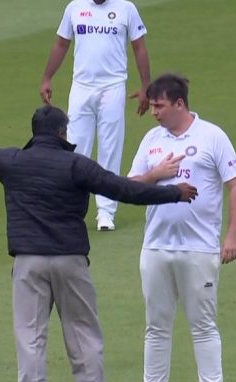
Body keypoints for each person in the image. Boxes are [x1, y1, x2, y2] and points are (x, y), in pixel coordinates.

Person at [0, 103, 197, 382]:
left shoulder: (14, 162)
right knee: (83, 333)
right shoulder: (76, 165)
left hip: (28, 262)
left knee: (30, 339)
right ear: (61, 133)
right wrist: (172, 193)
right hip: (71, 259)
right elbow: (123, 189)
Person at [126, 73, 236, 382]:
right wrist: (156, 174)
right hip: (156, 247)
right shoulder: (151, 139)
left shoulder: (212, 136)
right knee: (156, 326)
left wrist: (232, 235)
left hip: (200, 248)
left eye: (159, 106)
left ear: (179, 104)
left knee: (204, 325)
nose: (154, 112)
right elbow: (130, 185)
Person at [40, 0, 151, 231]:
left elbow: (139, 47)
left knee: (110, 148)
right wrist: (47, 77)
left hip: (113, 86)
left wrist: (145, 87)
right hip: (81, 87)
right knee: (75, 148)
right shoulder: (74, 8)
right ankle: (71, 209)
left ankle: (106, 212)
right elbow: (62, 44)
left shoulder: (126, 8)